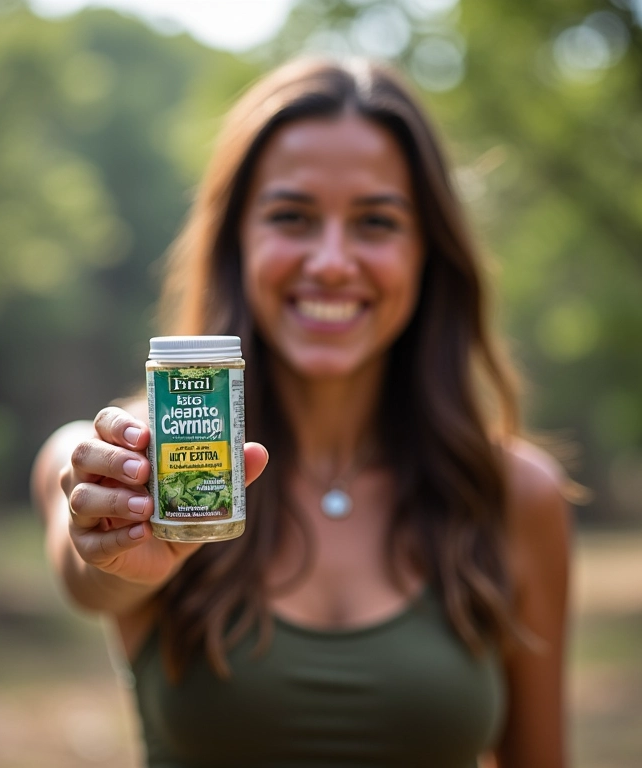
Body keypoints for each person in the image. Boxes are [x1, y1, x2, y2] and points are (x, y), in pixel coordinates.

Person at [31, 56, 571, 767]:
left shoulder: (515, 495)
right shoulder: (134, 466)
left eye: (376, 222)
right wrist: (116, 549)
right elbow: (87, 577)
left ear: (427, 254)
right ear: (237, 243)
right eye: (292, 216)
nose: (332, 261)